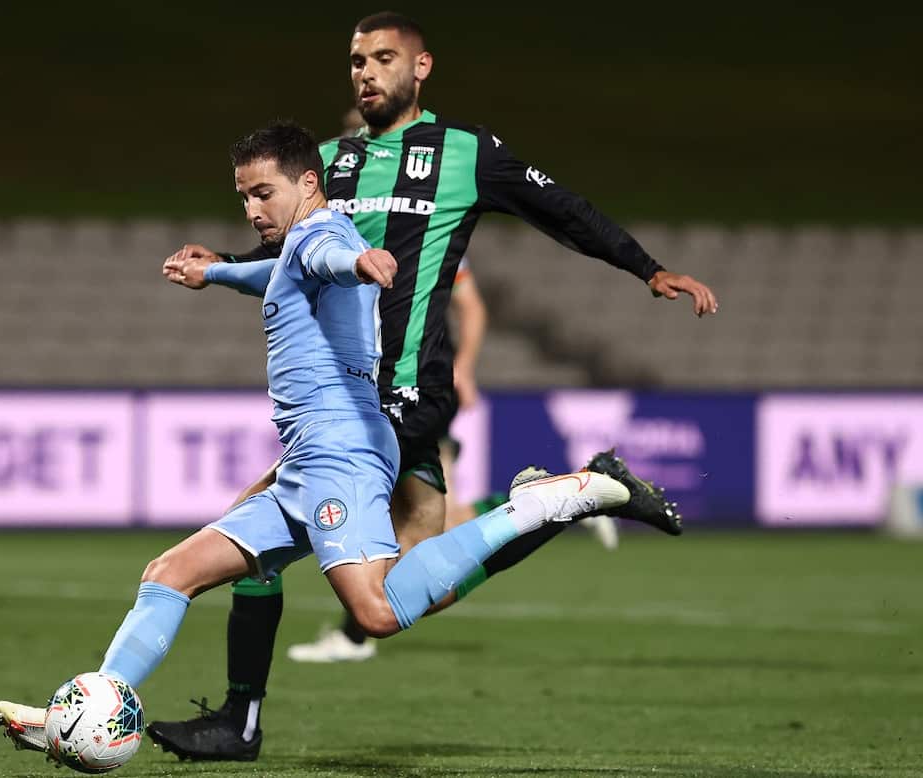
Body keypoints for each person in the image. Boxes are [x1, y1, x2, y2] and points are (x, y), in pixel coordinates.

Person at [0, 121, 667, 757]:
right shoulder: (299, 246)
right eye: (244, 196)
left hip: (342, 449)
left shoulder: (324, 235)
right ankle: (88, 711)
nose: (254, 209)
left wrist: (362, 260)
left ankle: (557, 498)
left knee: (375, 611)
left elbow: (328, 254)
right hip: (310, 457)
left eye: (265, 192)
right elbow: (279, 268)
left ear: (309, 184)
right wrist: (217, 271)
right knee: (169, 574)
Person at [144, 11, 715, 760]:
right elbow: (282, 255)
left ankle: (240, 722)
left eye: (383, 58)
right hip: (353, 396)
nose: (366, 72)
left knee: (256, 534)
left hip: (401, 393)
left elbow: (561, 208)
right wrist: (216, 263)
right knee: (417, 585)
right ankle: (563, 502)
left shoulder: (464, 153)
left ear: (421, 68)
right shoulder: (329, 162)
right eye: (356, 60)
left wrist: (646, 267)